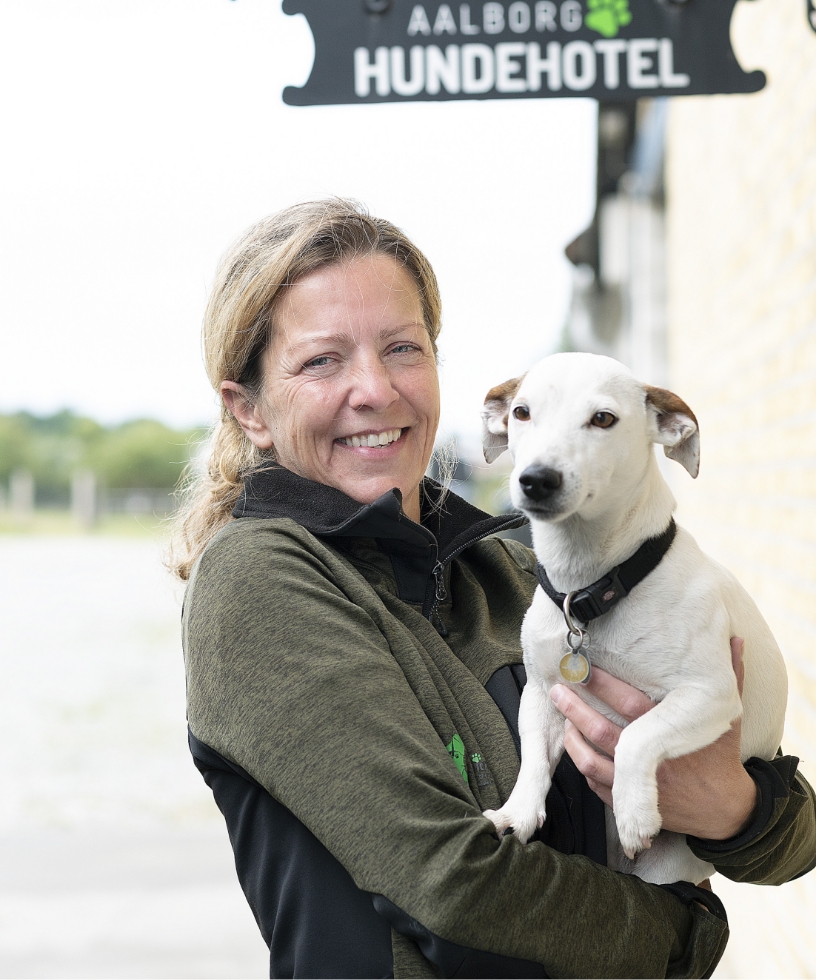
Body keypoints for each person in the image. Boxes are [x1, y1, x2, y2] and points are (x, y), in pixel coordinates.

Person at [170, 199, 816, 979]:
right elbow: (455, 888)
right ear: (250, 410)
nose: (374, 389)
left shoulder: (520, 577)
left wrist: (734, 808)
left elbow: (796, 843)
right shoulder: (262, 581)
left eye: (402, 348)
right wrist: (688, 935)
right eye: (321, 361)